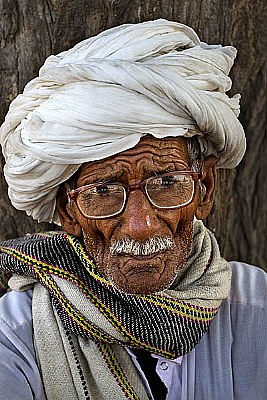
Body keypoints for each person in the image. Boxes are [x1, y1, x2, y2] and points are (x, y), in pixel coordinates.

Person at [0, 19, 266, 400]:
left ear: (204, 189)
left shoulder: (258, 311)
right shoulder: (16, 335)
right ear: (68, 210)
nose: (141, 226)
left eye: (168, 183)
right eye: (104, 190)